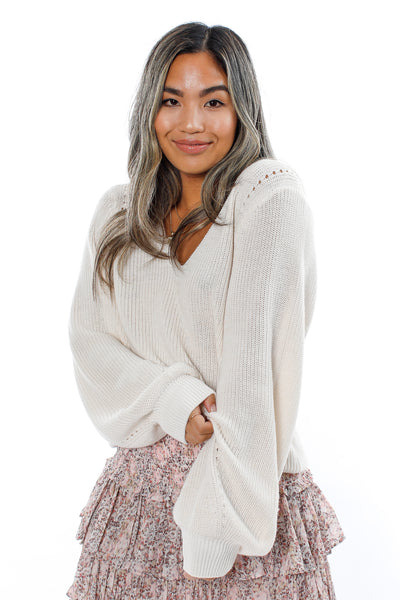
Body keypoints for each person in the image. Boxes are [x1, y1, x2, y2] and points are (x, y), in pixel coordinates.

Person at [66, 21, 345, 600]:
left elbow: (255, 376)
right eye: (171, 101)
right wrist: (175, 399)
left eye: (213, 102)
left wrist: (213, 533)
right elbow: (91, 349)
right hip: (135, 508)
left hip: (240, 502)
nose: (190, 122)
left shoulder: (268, 198)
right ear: (149, 110)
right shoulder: (119, 215)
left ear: (243, 110)